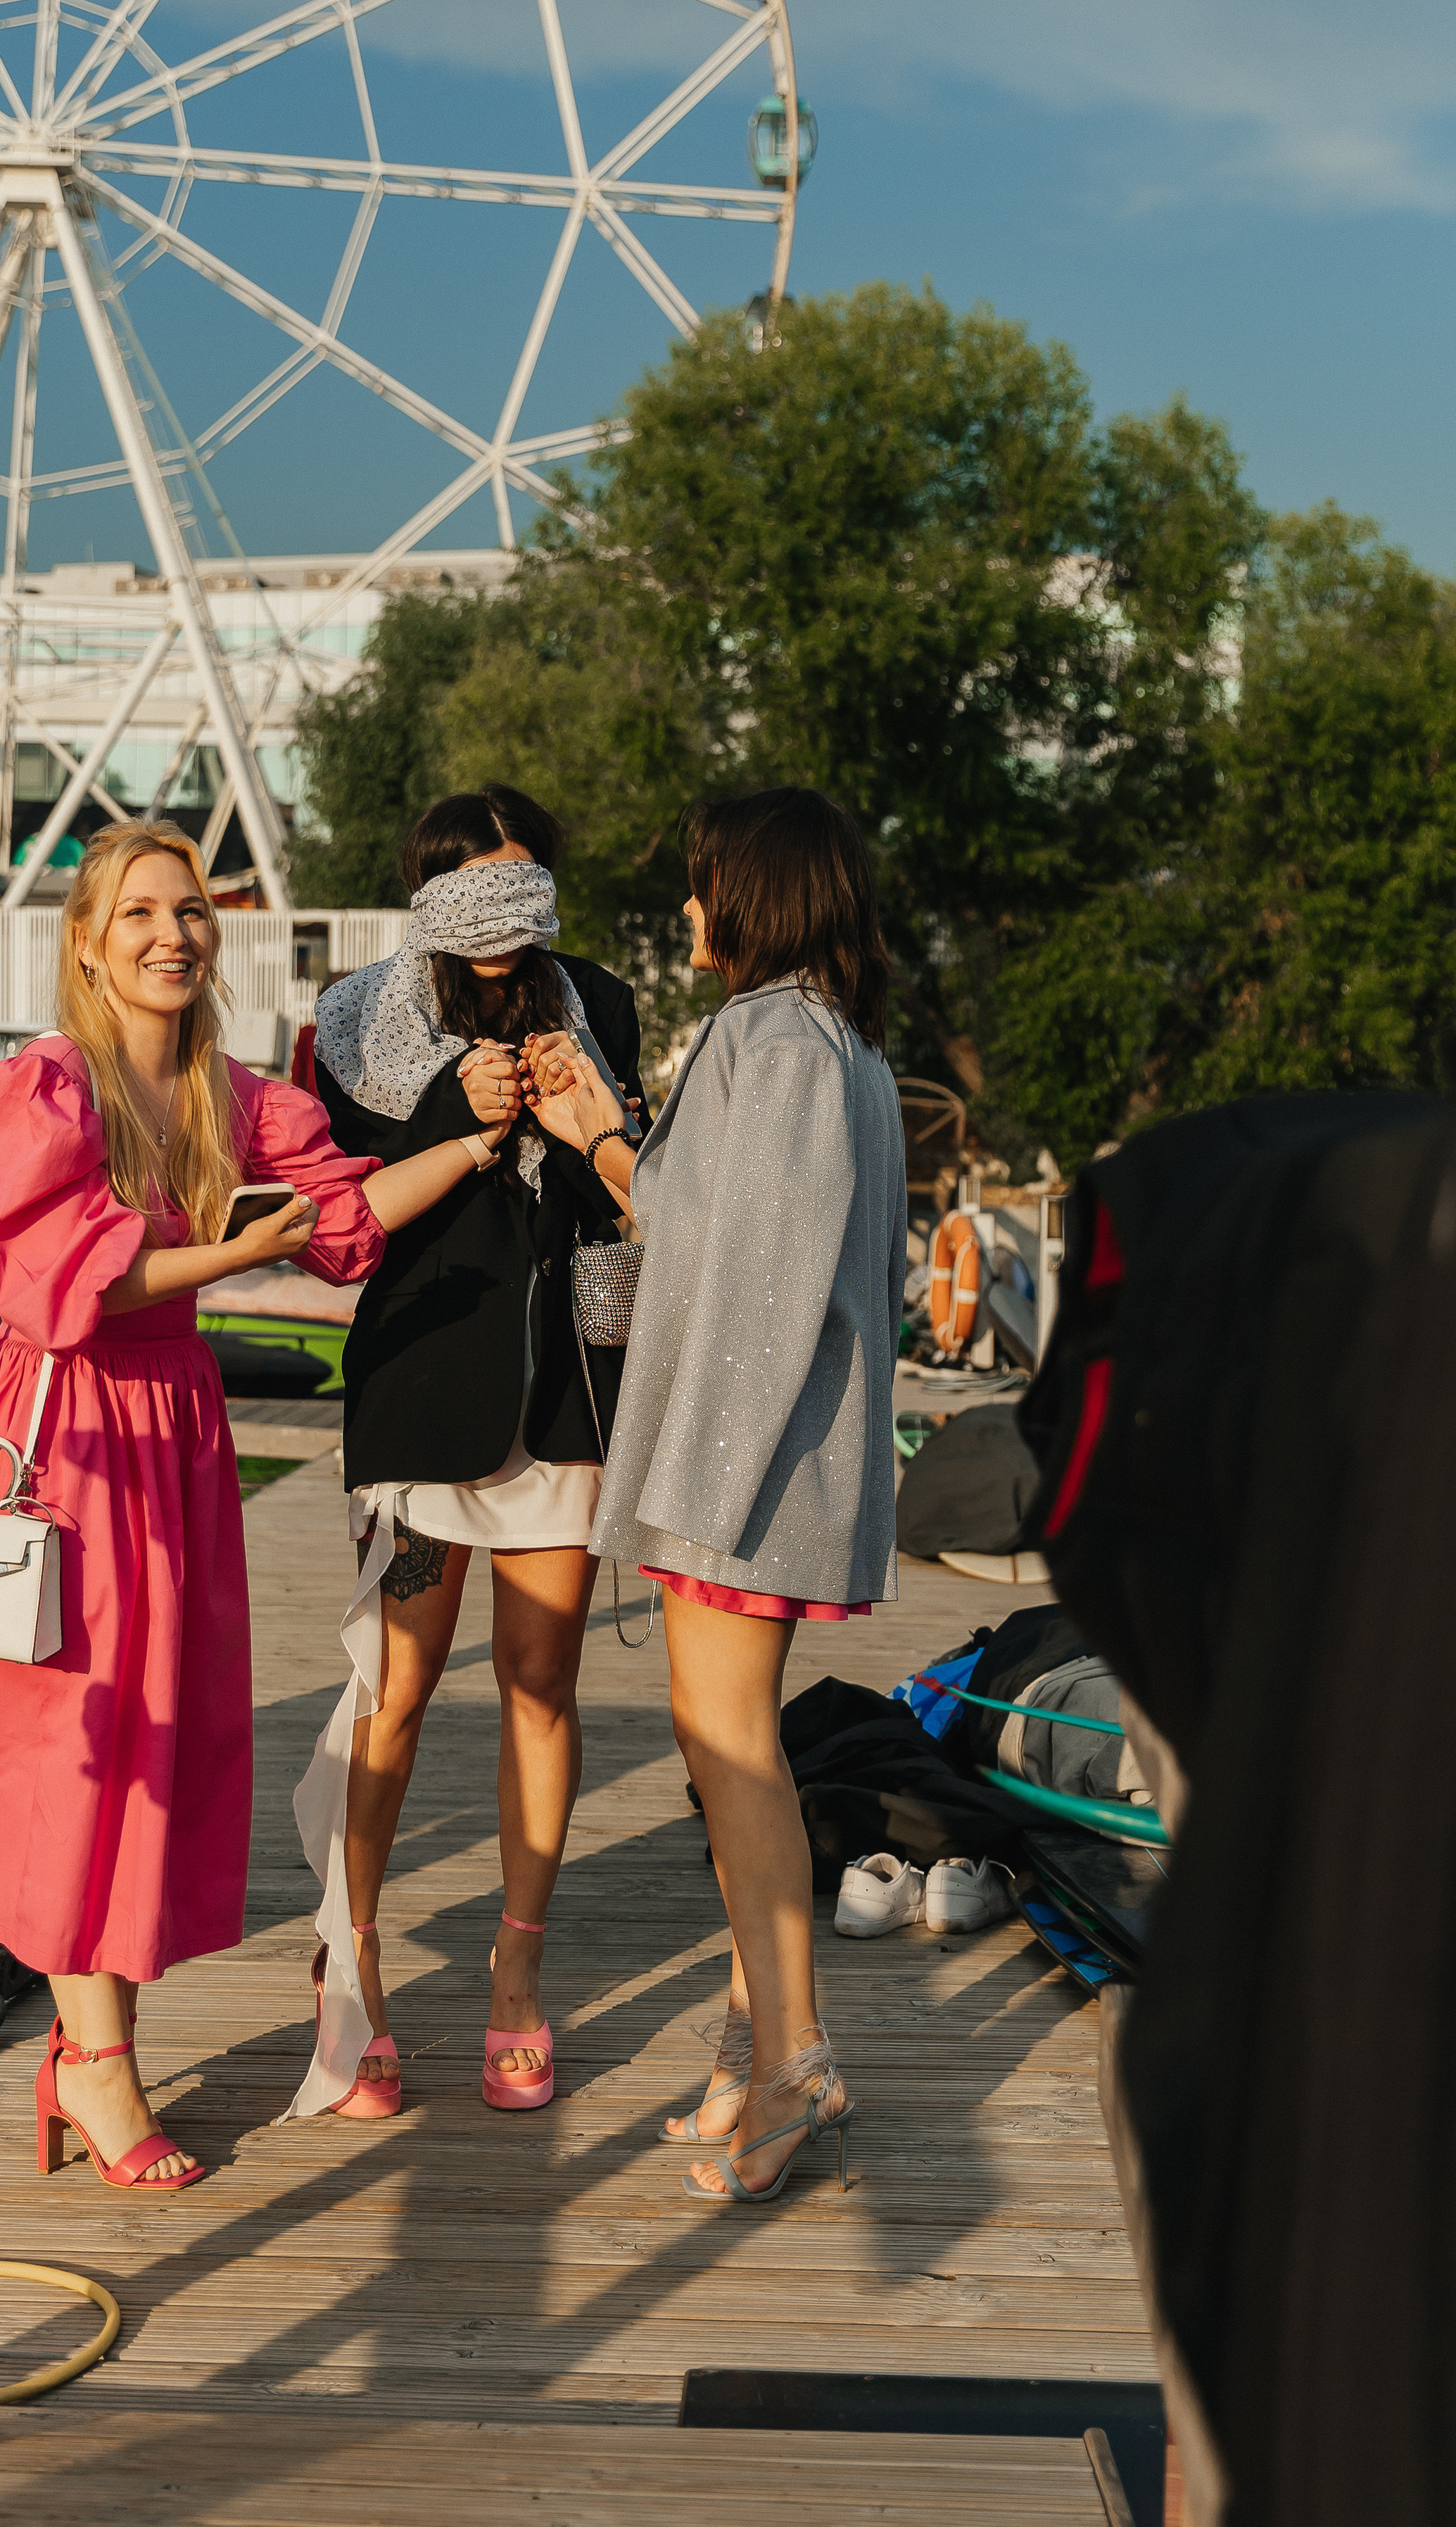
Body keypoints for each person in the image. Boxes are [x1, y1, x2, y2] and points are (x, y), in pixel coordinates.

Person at [0, 821, 488, 2193]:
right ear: (90, 943)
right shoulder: (44, 1086)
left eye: (192, 913)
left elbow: (336, 1228)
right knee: (70, 1743)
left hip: (169, 1428)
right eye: (142, 913)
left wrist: (465, 1142)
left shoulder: (243, 1097)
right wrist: (232, 1248)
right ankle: (96, 2059)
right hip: (58, 1426)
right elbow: (67, 1285)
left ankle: (92, 2045)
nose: (173, 934)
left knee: (151, 1733)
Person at [523, 787, 905, 2201]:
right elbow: (753, 1229)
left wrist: (601, 1142)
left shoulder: (768, 1037)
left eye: (699, 887)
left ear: (748, 894)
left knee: (729, 1753)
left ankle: (796, 2061)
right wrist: (618, 1131)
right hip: (785, 1453)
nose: (688, 911)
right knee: (731, 1751)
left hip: (745, 1462)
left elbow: (733, 1253)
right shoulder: (842, 1046)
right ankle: (748, 2057)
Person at [284, 784, 645, 2122]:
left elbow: (642, 1174)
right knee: (396, 1687)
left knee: (540, 1682)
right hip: (425, 1396)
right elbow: (333, 1213)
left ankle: (515, 1972)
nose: (503, 922)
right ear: (426, 894)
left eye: (525, 888)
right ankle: (355, 1962)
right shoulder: (354, 1021)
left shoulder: (600, 1000)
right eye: (473, 892)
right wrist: (451, 1108)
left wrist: (582, 1107)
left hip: (561, 1398)